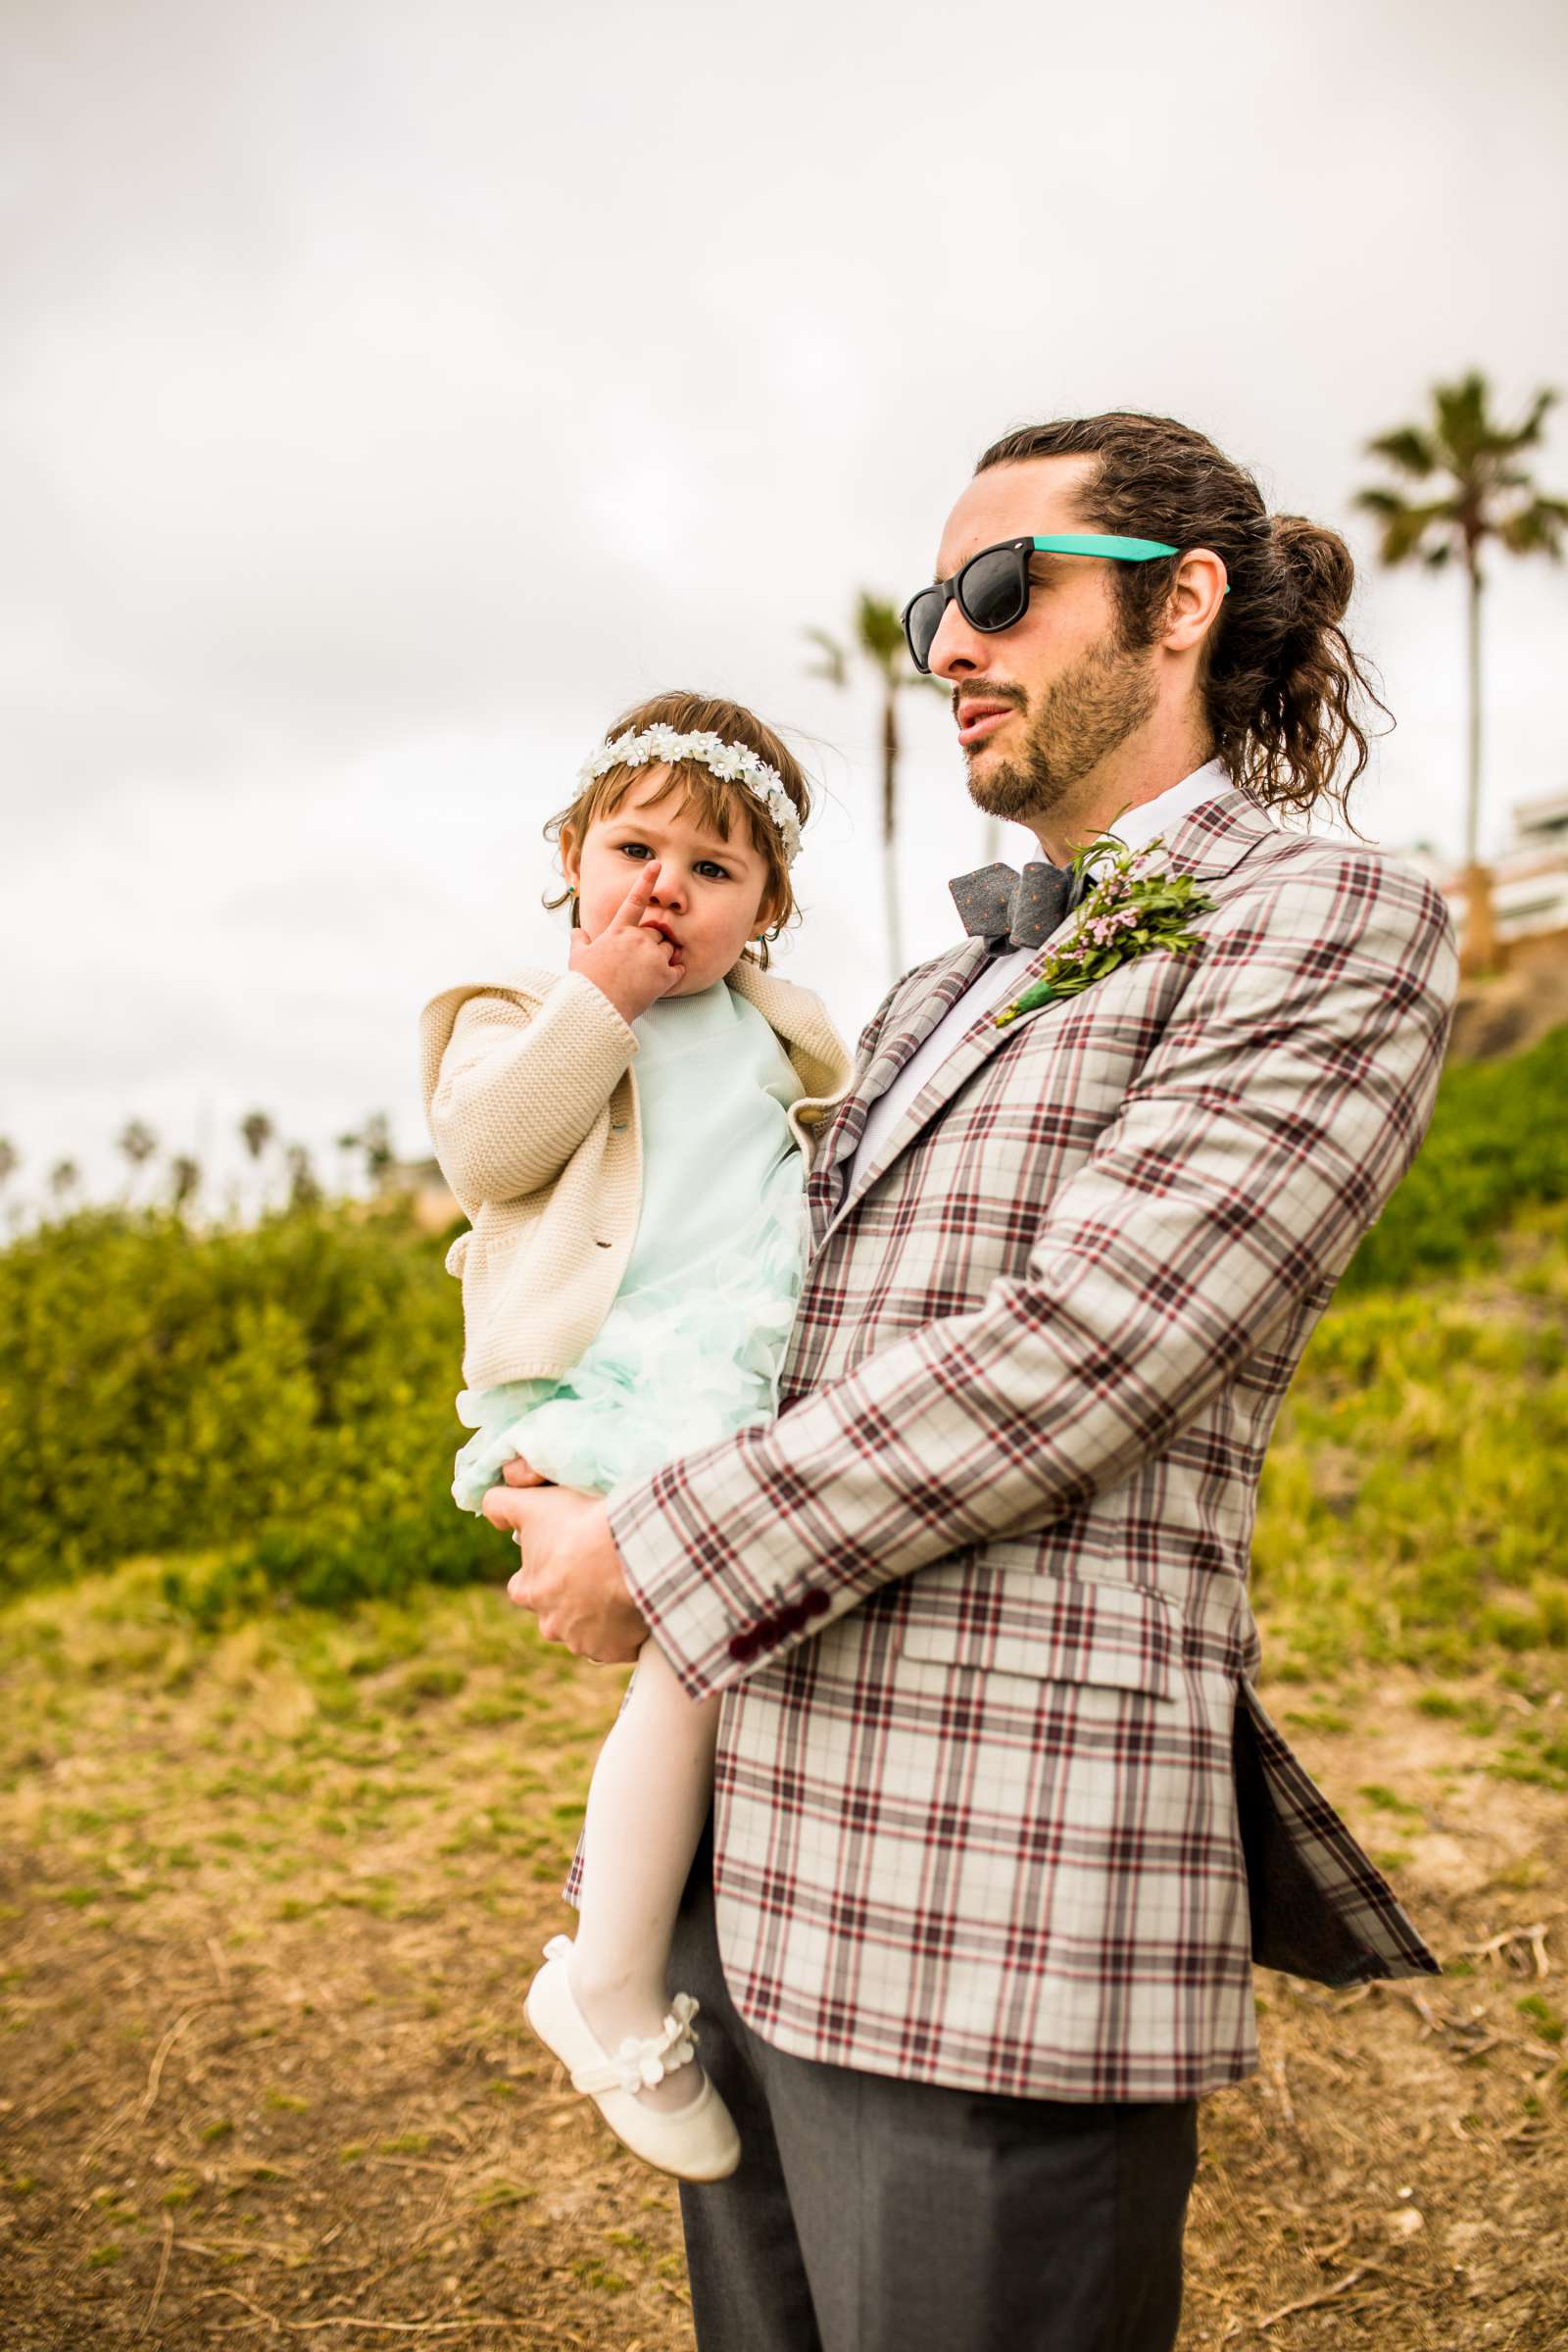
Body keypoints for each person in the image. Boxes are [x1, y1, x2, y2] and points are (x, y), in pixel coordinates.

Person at [484, 413, 1459, 2352]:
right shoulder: (929, 994)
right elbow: (765, 1298)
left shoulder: (1328, 916)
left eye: (1000, 588)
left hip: (994, 1898)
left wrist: (653, 1546)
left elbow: (1083, 1349)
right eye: (935, 601)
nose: (945, 639)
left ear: (1177, 605)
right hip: (738, 1864)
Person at [417, 689, 852, 2182]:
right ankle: (603, 1974)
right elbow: (490, 1150)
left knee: (723, 1671)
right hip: (611, 1385)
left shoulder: (778, 1032)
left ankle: (642, 1923)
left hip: (744, 1385)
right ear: (572, 856)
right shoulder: (512, 1018)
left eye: (714, 870)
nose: (665, 886)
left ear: (767, 910)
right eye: (633, 847)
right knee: (697, 1662)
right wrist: (596, 996)